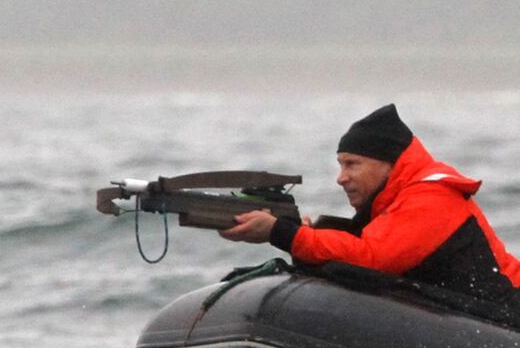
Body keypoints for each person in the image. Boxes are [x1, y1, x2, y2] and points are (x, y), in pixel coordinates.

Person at [220, 104, 520, 305]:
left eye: (352, 164)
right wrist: (299, 237)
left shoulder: (432, 197)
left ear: (388, 164)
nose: (341, 178)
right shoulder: (396, 206)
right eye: (340, 165)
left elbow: (371, 258)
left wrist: (283, 233)